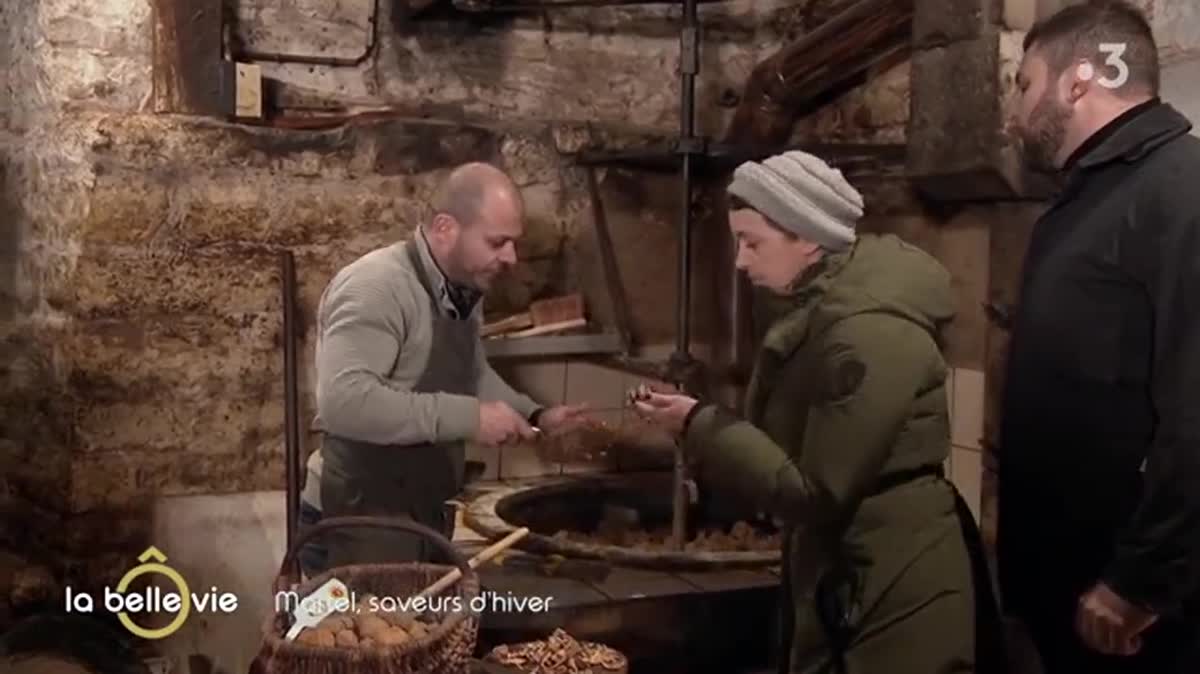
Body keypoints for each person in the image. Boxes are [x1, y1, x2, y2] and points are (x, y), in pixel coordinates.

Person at [632, 150, 1003, 674]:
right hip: (853, 566)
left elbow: (817, 490)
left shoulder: (867, 333)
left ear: (805, 237)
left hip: (893, 579)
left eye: (752, 242)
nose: (740, 261)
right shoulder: (820, 310)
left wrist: (701, 424)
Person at [999, 2, 1200, 672]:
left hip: (1134, 616)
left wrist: (1144, 577)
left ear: (1077, 81)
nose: (1015, 109)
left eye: (1023, 83)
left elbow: (1196, 405)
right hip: (1071, 591)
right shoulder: (1095, 195)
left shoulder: (1180, 192)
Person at [298, 162, 590, 571]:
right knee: (364, 636)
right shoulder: (377, 287)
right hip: (359, 518)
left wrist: (536, 414)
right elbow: (345, 403)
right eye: (497, 242)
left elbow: (470, 373)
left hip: (425, 516)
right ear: (445, 228)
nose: (511, 256)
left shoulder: (463, 287)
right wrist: (470, 418)